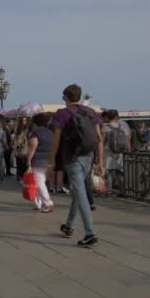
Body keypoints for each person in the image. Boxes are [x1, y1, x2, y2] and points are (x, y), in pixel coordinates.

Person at [50, 84, 104, 248]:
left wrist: (51, 160)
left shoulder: (62, 114)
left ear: (65, 98)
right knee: (77, 191)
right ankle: (68, 226)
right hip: (89, 156)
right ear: (79, 97)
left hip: (72, 158)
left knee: (80, 194)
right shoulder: (90, 112)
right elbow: (99, 139)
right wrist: (100, 162)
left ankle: (90, 234)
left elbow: (56, 140)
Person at [26, 113, 55, 213]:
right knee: (39, 182)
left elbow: (32, 147)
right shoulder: (51, 133)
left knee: (39, 183)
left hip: (38, 160)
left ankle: (48, 203)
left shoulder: (35, 133)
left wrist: (28, 160)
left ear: (35, 122)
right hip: (49, 160)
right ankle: (38, 204)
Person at [102, 109, 131, 196]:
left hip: (108, 152)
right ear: (116, 116)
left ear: (107, 117)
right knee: (120, 172)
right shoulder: (122, 126)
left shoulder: (105, 127)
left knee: (109, 172)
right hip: (120, 153)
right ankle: (122, 191)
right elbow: (127, 140)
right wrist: (128, 151)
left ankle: (109, 191)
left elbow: (102, 141)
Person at [14, 117, 30, 182]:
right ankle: (19, 176)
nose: (24, 121)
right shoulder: (17, 129)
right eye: (23, 120)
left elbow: (28, 139)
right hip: (18, 147)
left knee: (24, 163)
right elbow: (15, 139)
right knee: (19, 162)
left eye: (25, 120)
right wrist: (17, 145)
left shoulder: (27, 129)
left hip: (25, 147)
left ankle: (23, 176)